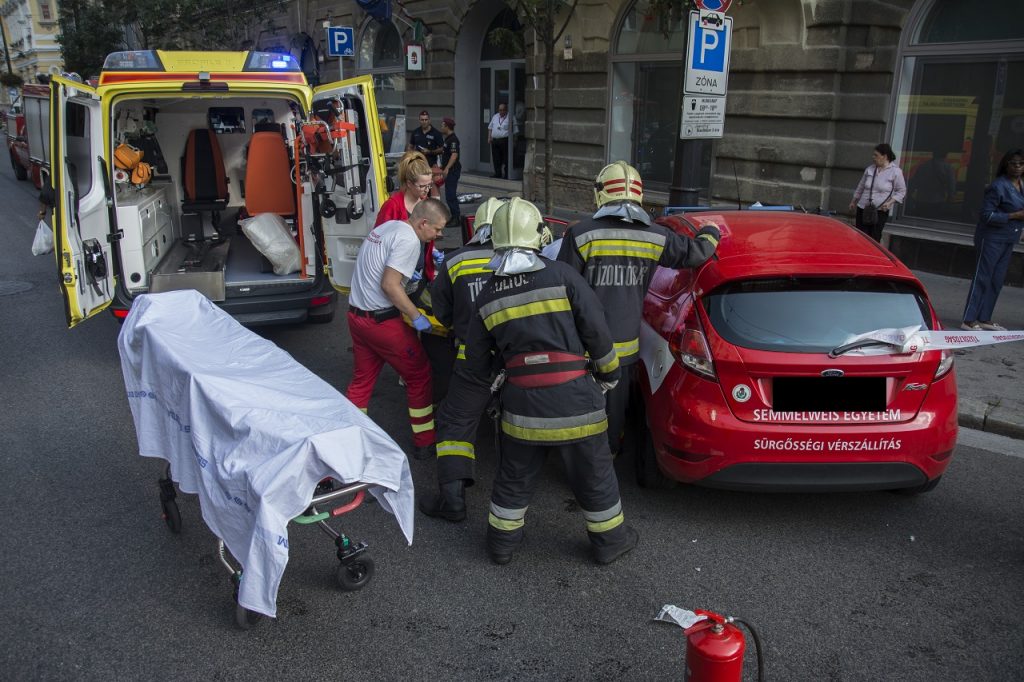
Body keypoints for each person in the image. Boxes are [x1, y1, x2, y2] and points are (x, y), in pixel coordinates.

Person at [461, 197, 639, 566]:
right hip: (578, 403)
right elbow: (597, 330)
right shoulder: (563, 275)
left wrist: (506, 370)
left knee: (513, 477)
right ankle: (610, 543)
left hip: (523, 409)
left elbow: (477, 362)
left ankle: (501, 546)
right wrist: (609, 375)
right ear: (539, 235)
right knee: (595, 475)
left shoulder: (490, 294)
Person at [558, 161, 720, 458]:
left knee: (578, 406)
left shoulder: (580, 234)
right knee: (614, 410)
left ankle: (577, 458)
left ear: (601, 193)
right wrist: (711, 230)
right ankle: (608, 457)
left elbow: (562, 289)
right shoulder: (656, 235)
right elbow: (697, 252)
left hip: (580, 347)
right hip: (623, 349)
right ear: (639, 195)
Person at [419, 198, 507, 521]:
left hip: (474, 361)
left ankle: (453, 502)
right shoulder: (527, 261)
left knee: (455, 422)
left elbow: (437, 310)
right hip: (518, 361)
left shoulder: (456, 262)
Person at [346, 198, 450, 460]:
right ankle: (425, 441)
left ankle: (351, 439)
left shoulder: (389, 227)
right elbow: (390, 285)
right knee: (419, 375)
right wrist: (416, 317)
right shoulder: (409, 240)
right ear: (423, 222)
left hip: (357, 317)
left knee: (362, 381)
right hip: (382, 322)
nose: (438, 235)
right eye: (437, 230)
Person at [961, 148, 1024, 332]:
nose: (1018, 167)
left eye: (1021, 164)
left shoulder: (1021, 184)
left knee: (997, 279)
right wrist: (1014, 215)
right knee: (983, 277)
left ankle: (984, 318)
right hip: (991, 238)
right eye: (1014, 163)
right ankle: (968, 319)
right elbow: (986, 215)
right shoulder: (998, 186)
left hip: (1009, 238)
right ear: (1006, 165)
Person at [849, 143, 907, 241]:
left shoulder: (895, 172)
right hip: (863, 208)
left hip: (880, 210)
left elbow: (901, 191)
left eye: (876, 155)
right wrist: (853, 201)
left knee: (874, 238)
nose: (873, 157)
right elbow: (861, 187)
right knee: (860, 237)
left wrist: (890, 203)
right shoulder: (870, 169)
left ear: (884, 156)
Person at [908, 149, 956, 219]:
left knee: (920, 220)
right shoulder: (947, 167)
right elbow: (951, 183)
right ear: (945, 155)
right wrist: (951, 197)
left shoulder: (923, 166)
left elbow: (915, 181)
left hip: (921, 198)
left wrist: (909, 193)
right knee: (934, 221)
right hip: (937, 199)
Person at [439, 117, 461, 227]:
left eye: (443, 125)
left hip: (452, 171)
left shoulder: (453, 139)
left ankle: (456, 218)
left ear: (447, 126)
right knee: (449, 195)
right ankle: (454, 216)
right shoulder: (448, 139)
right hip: (449, 170)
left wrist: (447, 168)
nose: (441, 127)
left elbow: (454, 154)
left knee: (450, 195)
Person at [487, 103, 512, 179]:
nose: (501, 112)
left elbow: (515, 131)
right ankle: (498, 173)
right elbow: (490, 127)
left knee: (506, 158)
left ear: (506, 110)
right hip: (495, 140)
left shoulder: (510, 117)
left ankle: (507, 174)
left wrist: (514, 141)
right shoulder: (495, 116)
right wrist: (489, 137)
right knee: (496, 158)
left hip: (505, 140)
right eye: (500, 110)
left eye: (503, 110)